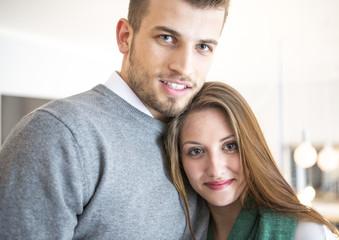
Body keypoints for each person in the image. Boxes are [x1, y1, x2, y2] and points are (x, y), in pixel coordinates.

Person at [0, 0, 230, 239]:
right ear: (125, 37)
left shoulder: (203, 140)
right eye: (167, 38)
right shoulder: (58, 134)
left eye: (203, 46)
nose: (184, 67)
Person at [164, 81, 339, 240]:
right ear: (179, 161)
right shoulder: (177, 230)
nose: (215, 169)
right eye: (196, 151)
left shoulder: (305, 232)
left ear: (251, 147)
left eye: (230, 146)